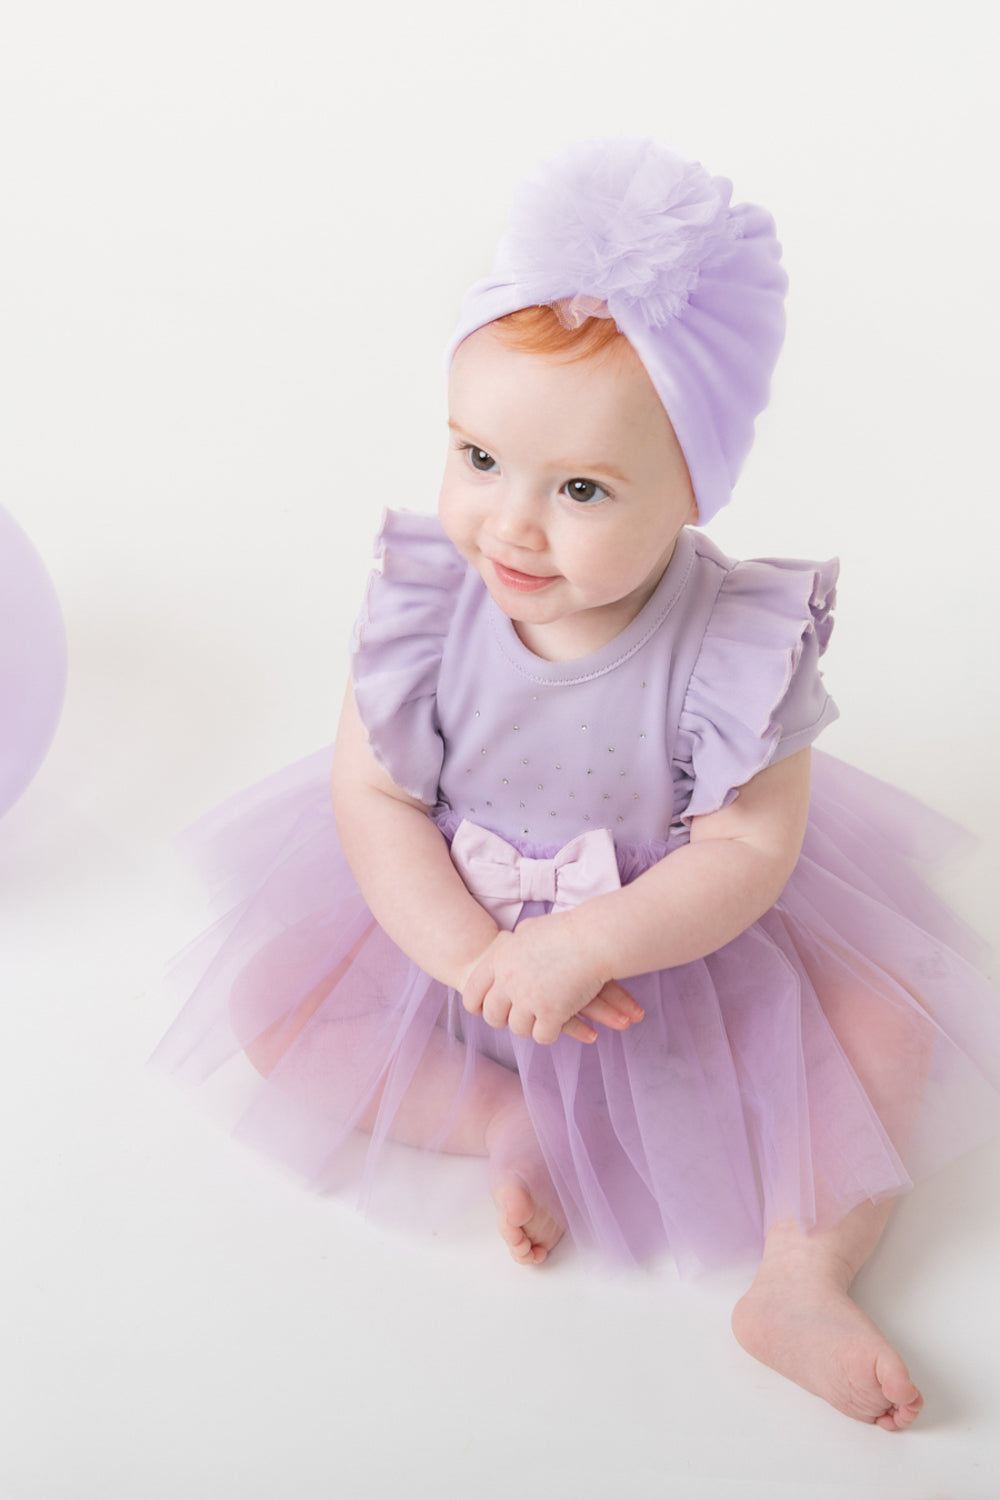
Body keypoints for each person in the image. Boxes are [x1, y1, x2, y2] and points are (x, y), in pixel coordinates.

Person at [153, 138, 1000, 1431]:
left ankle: (801, 1280)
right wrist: (468, 956)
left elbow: (748, 854)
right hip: (450, 935)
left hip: (675, 965)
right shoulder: (428, 611)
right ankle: (499, 1121)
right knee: (274, 1007)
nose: (511, 524)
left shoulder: (733, 649)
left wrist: (588, 946)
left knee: (888, 1034)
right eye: (479, 459)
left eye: (584, 489)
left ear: (692, 490)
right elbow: (371, 799)